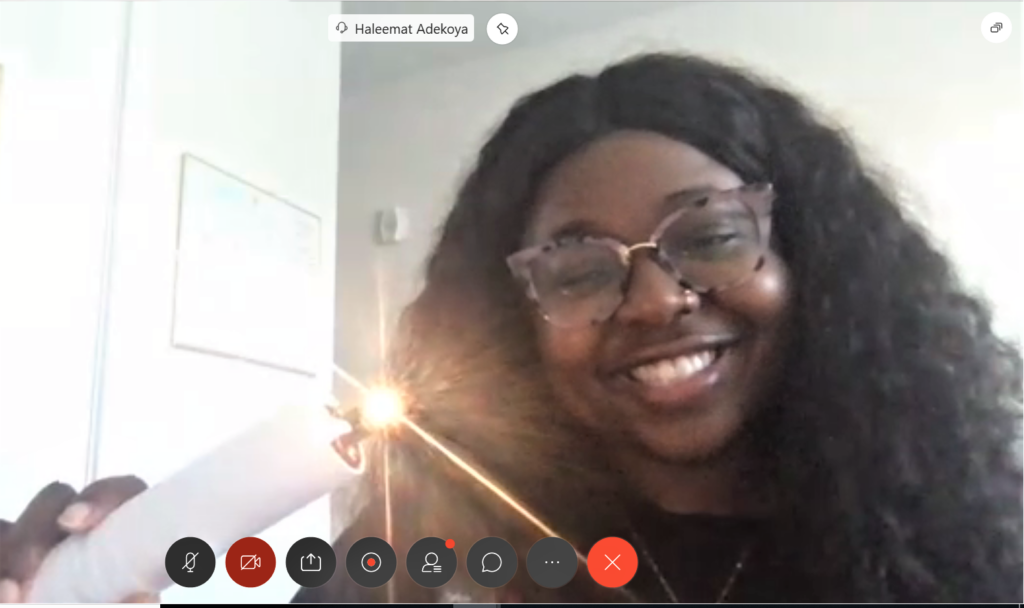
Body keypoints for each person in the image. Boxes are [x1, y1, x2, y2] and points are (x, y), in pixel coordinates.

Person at [1, 54, 1020, 604]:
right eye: (578, 269)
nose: (657, 299)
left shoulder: (971, 551)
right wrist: (93, 583)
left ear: (813, 263)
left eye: (708, 236)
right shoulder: (414, 566)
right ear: (513, 320)